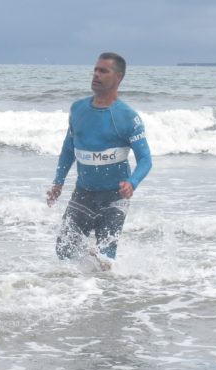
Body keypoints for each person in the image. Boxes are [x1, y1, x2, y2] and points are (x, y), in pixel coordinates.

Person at [46, 52, 152, 269]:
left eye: (103, 71)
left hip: (114, 197)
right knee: (64, 250)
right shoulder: (78, 109)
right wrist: (58, 182)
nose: (96, 74)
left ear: (118, 77)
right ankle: (78, 294)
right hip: (83, 192)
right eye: (95, 69)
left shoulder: (127, 116)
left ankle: (106, 297)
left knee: (106, 258)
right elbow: (68, 149)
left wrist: (132, 183)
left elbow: (145, 159)